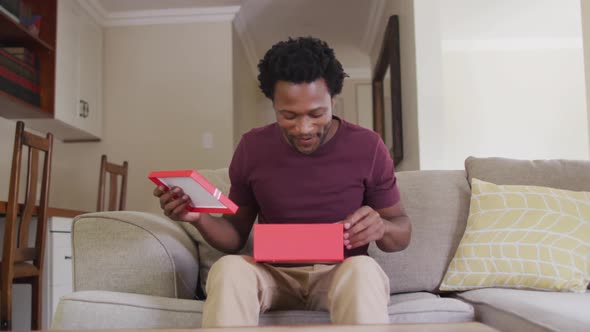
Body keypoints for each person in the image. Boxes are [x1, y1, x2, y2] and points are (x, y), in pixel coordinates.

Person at [153, 36, 411, 327]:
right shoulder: (253, 147)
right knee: (229, 269)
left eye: (317, 114)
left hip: (341, 273)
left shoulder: (368, 146)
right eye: (288, 115)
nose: (304, 128)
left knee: (364, 270)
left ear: (333, 99)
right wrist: (197, 217)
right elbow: (234, 237)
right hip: (273, 274)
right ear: (273, 104)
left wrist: (382, 226)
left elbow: (401, 232)